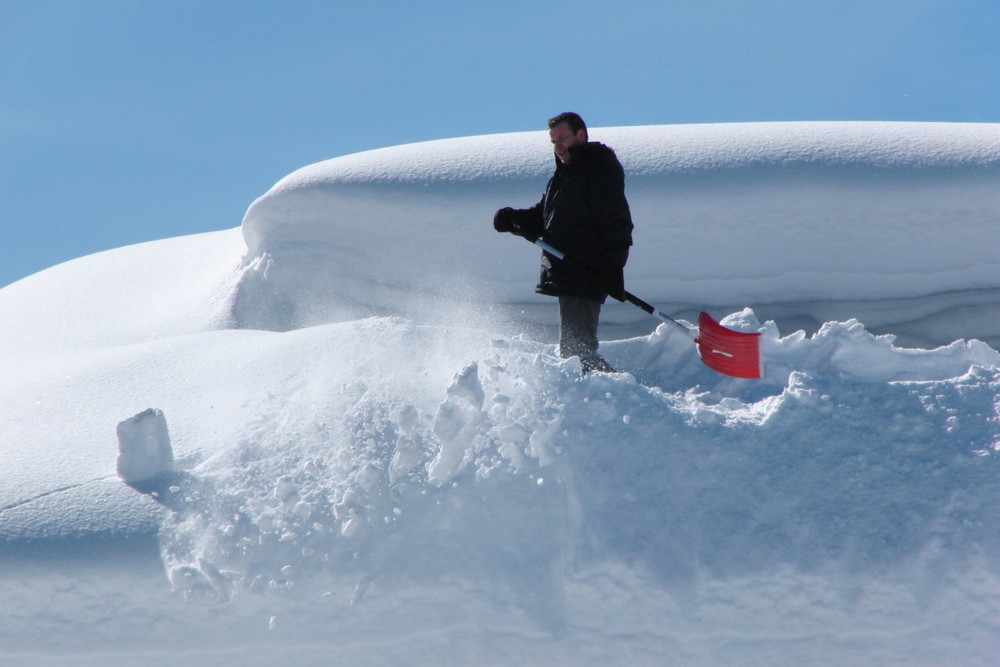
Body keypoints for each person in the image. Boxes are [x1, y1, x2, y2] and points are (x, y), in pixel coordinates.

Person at [493, 112, 633, 373]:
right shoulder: (565, 175)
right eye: (553, 140)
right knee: (574, 351)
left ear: (581, 135)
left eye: (562, 138)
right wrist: (512, 218)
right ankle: (602, 396)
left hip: (586, 270)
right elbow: (543, 218)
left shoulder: (597, 168)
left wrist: (614, 267)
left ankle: (617, 396)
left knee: (577, 354)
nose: (557, 145)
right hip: (569, 272)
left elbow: (617, 221)